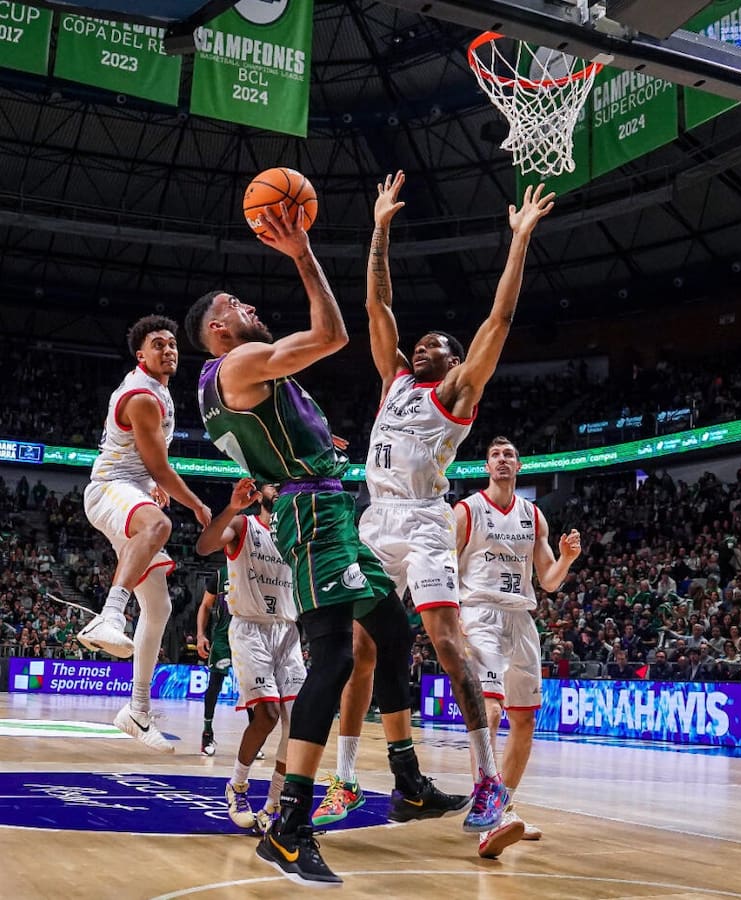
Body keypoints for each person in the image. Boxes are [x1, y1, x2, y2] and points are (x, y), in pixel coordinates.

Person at [186, 202, 451, 885]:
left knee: (392, 632)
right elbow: (332, 334)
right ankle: (288, 827)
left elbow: (266, 441)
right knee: (332, 659)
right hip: (311, 515)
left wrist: (309, 446)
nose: (249, 307)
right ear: (218, 329)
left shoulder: (240, 383)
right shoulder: (236, 364)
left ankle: (407, 781)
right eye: (236, 304)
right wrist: (302, 251)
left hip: (326, 506)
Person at [350, 171, 554, 834]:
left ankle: (488, 782)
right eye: (420, 342)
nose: (421, 345)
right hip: (376, 521)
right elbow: (378, 307)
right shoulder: (393, 381)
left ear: (456, 361)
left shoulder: (457, 394)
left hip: (424, 522)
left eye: (436, 343)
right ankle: (348, 779)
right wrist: (380, 229)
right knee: (359, 648)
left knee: (444, 641)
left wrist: (518, 240)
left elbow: (499, 319)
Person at [76, 316, 212, 752]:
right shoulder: (141, 396)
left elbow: (147, 461)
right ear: (141, 355)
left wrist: (150, 484)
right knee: (159, 524)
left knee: (160, 606)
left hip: (131, 488)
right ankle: (111, 614)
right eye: (158, 344)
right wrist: (197, 504)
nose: (169, 349)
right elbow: (160, 467)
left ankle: (136, 710)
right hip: (108, 489)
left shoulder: (159, 389)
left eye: (173, 344)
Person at [454, 436, 581, 857]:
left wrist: (566, 559)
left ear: (519, 466)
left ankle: (502, 808)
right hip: (480, 614)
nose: (502, 459)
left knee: (524, 720)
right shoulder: (467, 510)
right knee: (489, 711)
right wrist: (452, 617)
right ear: (487, 466)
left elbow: (548, 581)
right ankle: (486, 810)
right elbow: (445, 567)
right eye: (495, 455)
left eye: (509, 455)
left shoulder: (533, 515)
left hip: (521, 619)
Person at [197, 479, 306, 833]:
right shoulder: (243, 525)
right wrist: (231, 507)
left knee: (298, 722)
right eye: (273, 485)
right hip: (250, 628)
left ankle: (274, 804)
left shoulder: (296, 533)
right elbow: (204, 546)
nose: (280, 490)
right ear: (259, 494)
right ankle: (237, 786)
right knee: (268, 714)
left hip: (287, 631)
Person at [196, 564, 233, 756]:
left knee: (252, 688)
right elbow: (205, 605)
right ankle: (207, 734)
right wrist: (200, 635)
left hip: (249, 637)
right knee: (215, 685)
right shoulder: (220, 575)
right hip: (223, 639)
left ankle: (255, 741)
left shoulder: (257, 567)